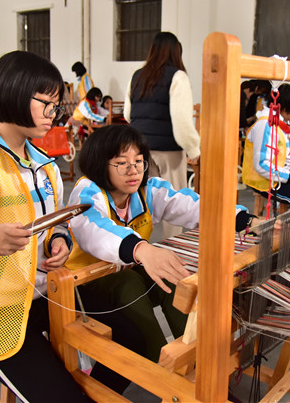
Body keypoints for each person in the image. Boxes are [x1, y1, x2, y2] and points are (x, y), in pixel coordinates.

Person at [0, 51, 143, 401]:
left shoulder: (45, 166)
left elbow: (55, 223)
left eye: (57, 107)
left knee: (135, 339)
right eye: (47, 105)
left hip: (46, 292)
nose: (54, 116)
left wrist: (59, 240)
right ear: (15, 94)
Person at [67, 124, 256, 362]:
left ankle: (195, 359)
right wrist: (141, 249)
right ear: (99, 164)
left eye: (138, 161)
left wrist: (246, 221)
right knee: (129, 283)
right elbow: (92, 229)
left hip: (126, 272)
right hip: (85, 285)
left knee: (172, 272)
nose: (133, 170)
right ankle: (160, 364)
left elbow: (193, 206)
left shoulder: (147, 191)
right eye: (121, 163)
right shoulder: (87, 192)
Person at [124, 31, 200, 239]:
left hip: (140, 148)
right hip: (169, 151)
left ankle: (137, 249)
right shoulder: (177, 76)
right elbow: (182, 120)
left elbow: (127, 114)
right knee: (175, 203)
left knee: (143, 198)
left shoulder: (137, 76)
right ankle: (172, 249)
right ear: (177, 52)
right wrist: (194, 149)